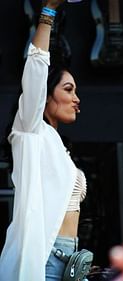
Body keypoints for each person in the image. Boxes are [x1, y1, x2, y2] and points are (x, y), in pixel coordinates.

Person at [0, 0, 88, 280]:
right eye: (68, 89)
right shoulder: (30, 130)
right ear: (46, 94)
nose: (76, 99)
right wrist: (49, 11)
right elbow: (36, 67)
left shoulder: (56, 144)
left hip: (70, 258)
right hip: (46, 257)